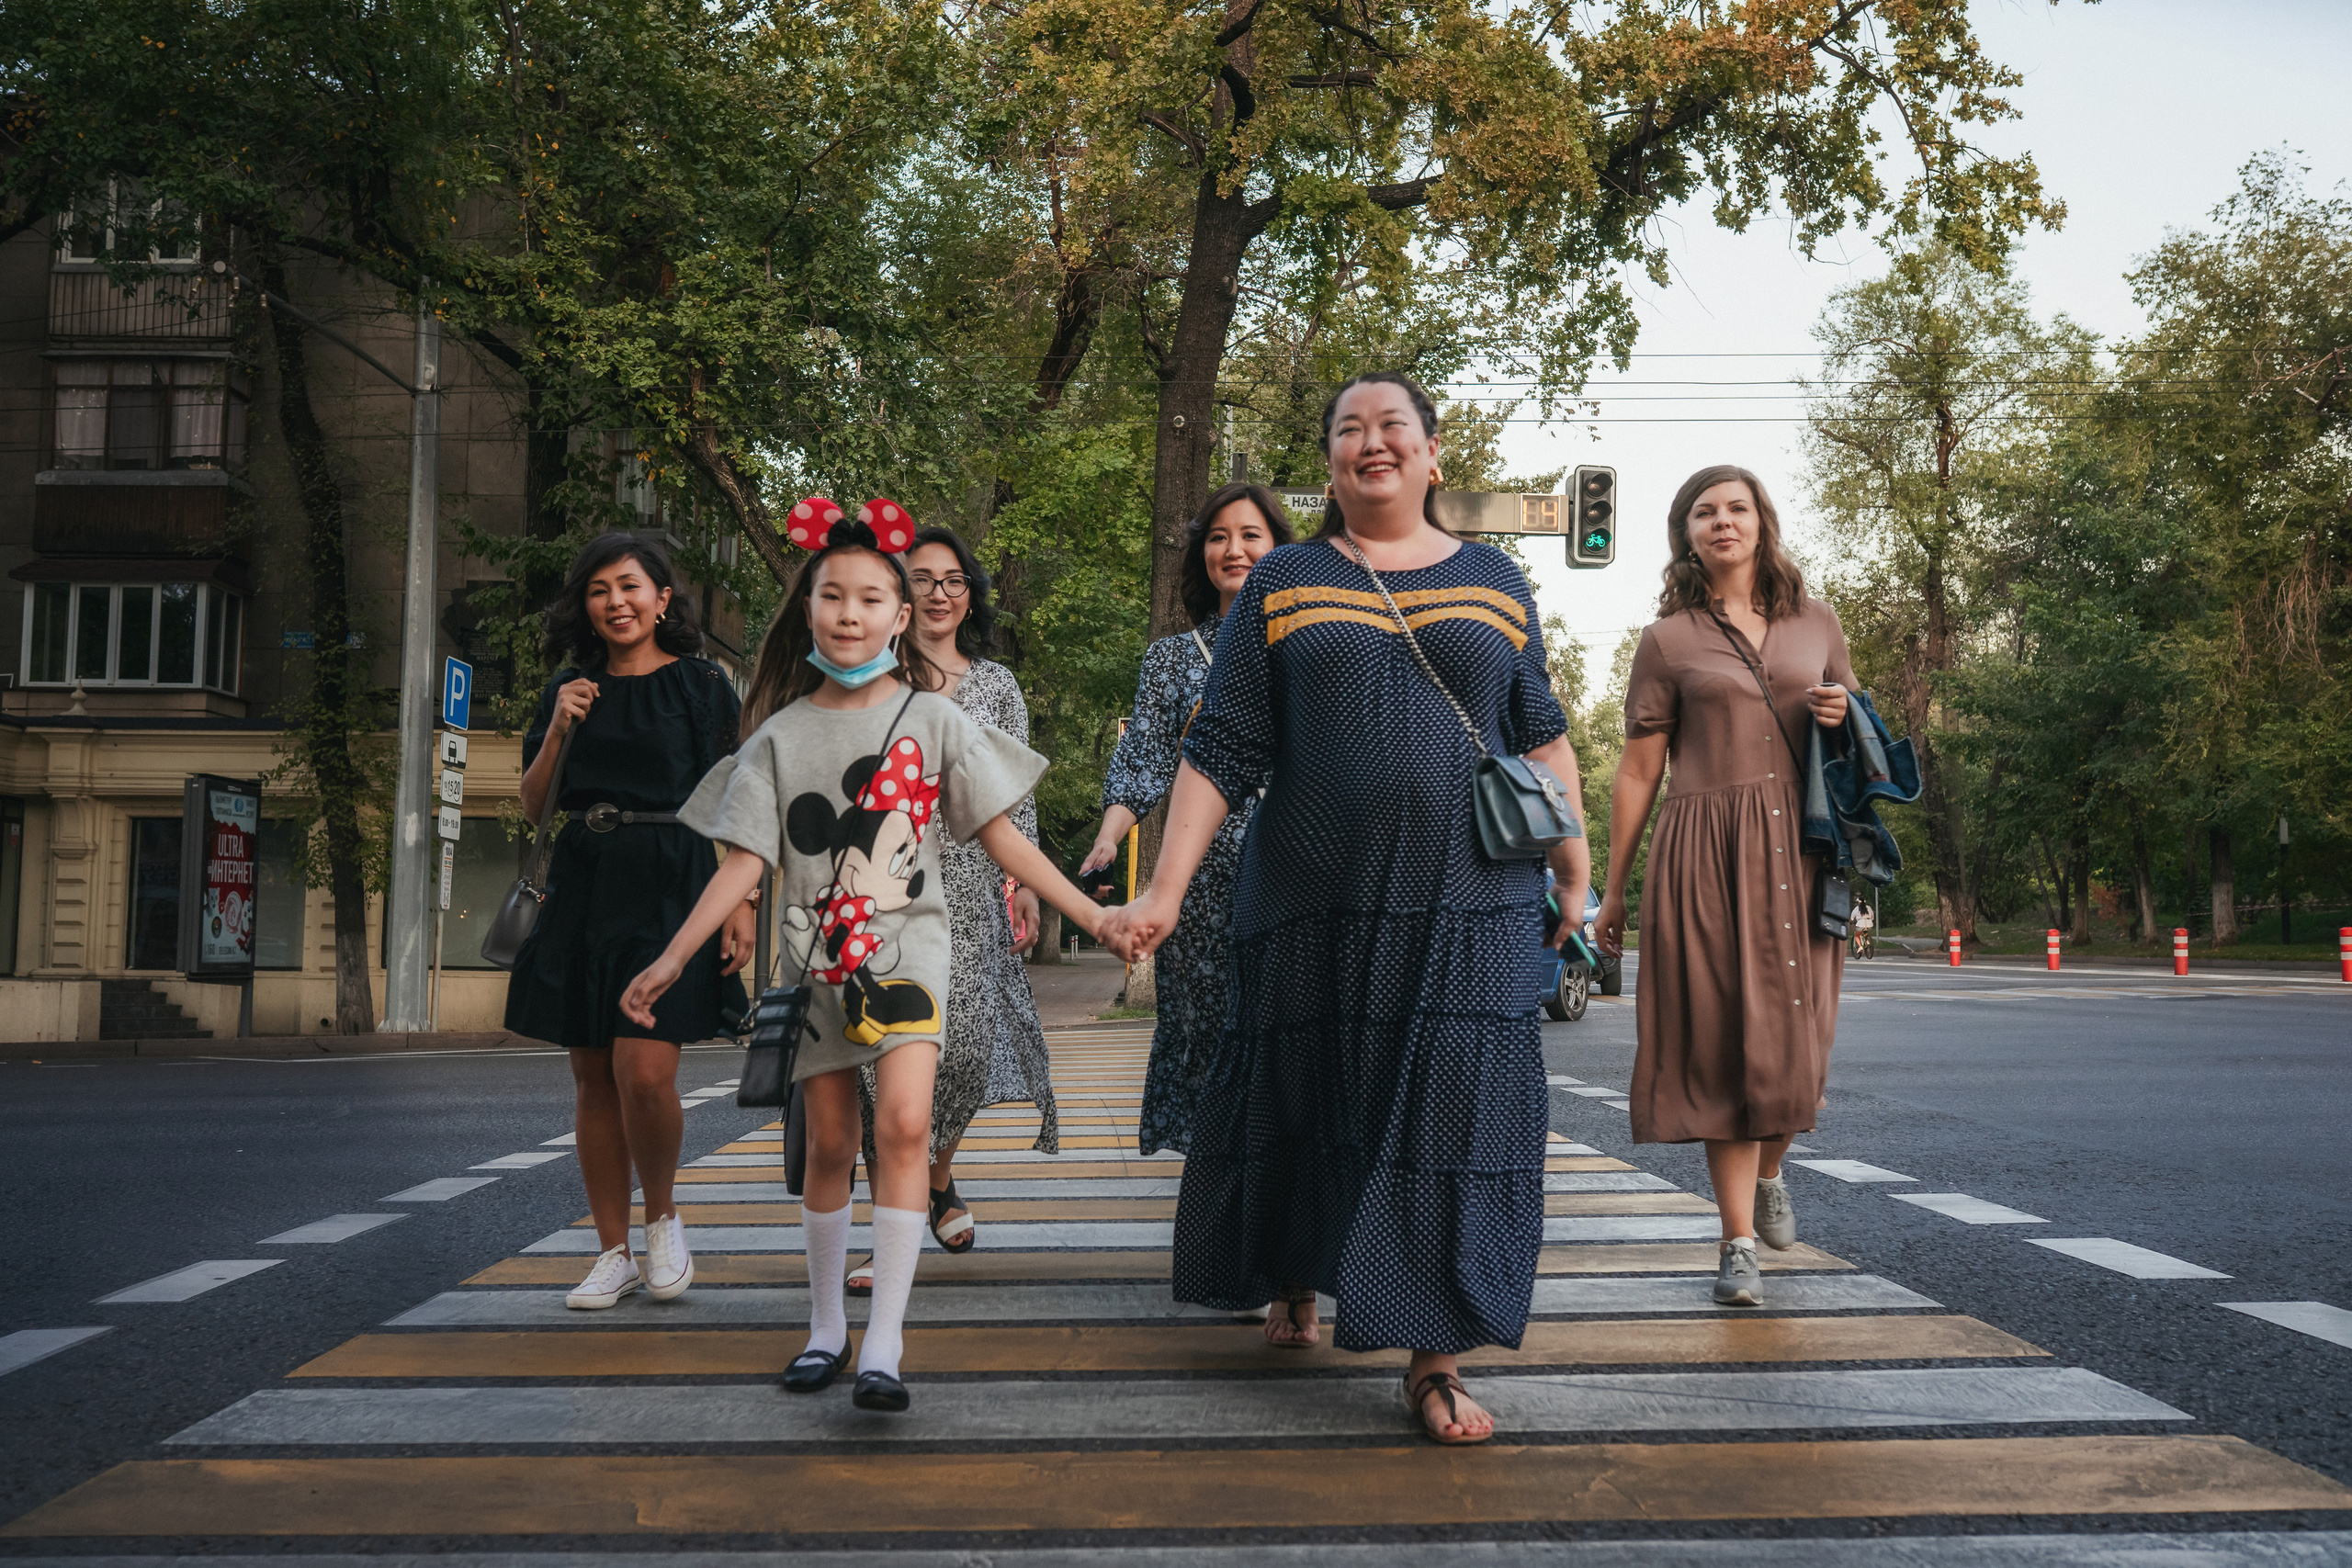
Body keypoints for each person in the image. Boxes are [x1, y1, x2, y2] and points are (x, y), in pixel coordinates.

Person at [1098, 373, 1591, 1445]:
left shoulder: (1497, 579)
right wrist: (1164, 893)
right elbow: (1222, 748)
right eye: (1348, 431)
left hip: (1471, 893)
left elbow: (1538, 730)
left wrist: (1574, 866)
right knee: (1311, 1091)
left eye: (1391, 428)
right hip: (1313, 890)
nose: (1371, 443)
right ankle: (1293, 1273)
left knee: (1453, 1113)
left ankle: (1433, 1359)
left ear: (1432, 454)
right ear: (1328, 462)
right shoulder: (1283, 580)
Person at [622, 500, 1109, 1413]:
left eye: (870, 598)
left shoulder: (936, 718)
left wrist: (1093, 912)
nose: (849, 613)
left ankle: (883, 1344)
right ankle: (823, 1330)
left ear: (899, 616)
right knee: (831, 1143)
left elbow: (1003, 838)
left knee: (904, 1130)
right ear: (806, 610)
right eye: (831, 596)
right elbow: (741, 863)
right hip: (815, 965)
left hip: (913, 954)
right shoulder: (775, 736)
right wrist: (671, 957)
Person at [1590, 465, 1855, 1308]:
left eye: (1737, 508)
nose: (1722, 521)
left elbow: (1856, 726)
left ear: (1762, 523)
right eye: (1704, 512)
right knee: (1723, 1047)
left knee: (1798, 1054)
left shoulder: (1818, 621)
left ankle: (1773, 1171)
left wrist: (1845, 714)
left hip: (1803, 854)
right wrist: (1614, 887)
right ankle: (1736, 1239)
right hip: (1704, 854)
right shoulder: (1667, 640)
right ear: (1687, 536)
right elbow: (1639, 769)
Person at [504, 533, 752, 1312]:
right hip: (585, 878)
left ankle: (663, 1216)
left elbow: (740, 792)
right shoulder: (569, 689)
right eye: (600, 590)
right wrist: (557, 730)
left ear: (662, 599)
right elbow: (535, 804)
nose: (616, 601)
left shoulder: (702, 685)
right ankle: (610, 1249)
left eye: (630, 586)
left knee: (645, 1071)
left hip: (673, 878)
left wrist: (740, 897)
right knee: (591, 1075)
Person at [849, 525, 1057, 1280]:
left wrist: (1027, 882)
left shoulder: (997, 683)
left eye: (953, 580)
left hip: (973, 881)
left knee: (963, 1050)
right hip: (887, 882)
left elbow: (1016, 791)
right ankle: (886, 1235)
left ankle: (938, 1172)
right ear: (900, 594)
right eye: (923, 579)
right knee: (882, 1055)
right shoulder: (870, 673)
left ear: (969, 596)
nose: (939, 592)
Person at [1081, 483, 1295, 1156]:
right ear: (1202, 554)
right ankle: (1215, 1186)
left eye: (1251, 534)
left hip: (1291, 864)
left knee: (1284, 1025)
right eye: (1218, 536)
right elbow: (1142, 759)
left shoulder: (1308, 648)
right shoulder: (1171, 660)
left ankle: (1274, 1184)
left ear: (1278, 548)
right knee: (1205, 1026)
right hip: (1195, 878)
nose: (1234, 549)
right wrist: (1110, 837)